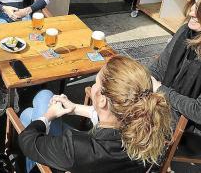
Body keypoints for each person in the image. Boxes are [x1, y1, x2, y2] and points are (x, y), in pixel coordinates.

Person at [19, 56, 172, 173]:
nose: (92, 86)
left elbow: (27, 140)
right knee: (29, 113)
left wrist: (47, 116)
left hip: (75, 161)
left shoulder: (78, 148)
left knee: (39, 102)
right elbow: (109, 118)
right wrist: (75, 108)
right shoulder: (149, 130)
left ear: (102, 100)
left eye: (95, 83)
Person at [151, 0, 201, 134]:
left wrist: (161, 90)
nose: (191, 13)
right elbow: (159, 67)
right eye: (194, 5)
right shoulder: (185, 32)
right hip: (164, 104)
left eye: (198, 10)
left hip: (186, 126)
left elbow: (198, 112)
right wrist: (142, 79)